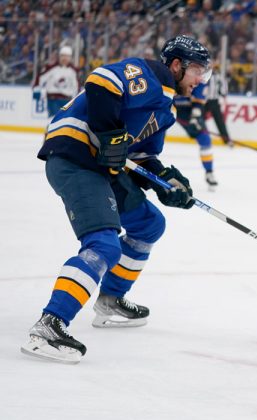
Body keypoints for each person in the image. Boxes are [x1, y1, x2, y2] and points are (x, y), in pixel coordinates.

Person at [21, 35, 211, 364]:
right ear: (176, 65)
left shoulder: (165, 110)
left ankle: (110, 300)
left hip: (102, 166)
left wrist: (167, 181)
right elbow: (101, 80)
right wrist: (110, 134)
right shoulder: (150, 74)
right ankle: (49, 325)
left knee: (150, 224)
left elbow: (138, 157)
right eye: (197, 71)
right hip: (76, 156)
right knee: (104, 245)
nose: (200, 80)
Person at [175, 62, 229, 191]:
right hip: (171, 107)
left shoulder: (202, 78)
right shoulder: (176, 72)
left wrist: (195, 115)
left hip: (187, 112)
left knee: (205, 140)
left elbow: (198, 99)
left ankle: (209, 172)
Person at [33, 46, 79, 118]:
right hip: (53, 99)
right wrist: (36, 90)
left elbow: (76, 86)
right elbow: (40, 78)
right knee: (54, 120)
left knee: (64, 122)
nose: (64, 58)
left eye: (67, 56)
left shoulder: (74, 71)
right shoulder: (51, 67)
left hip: (66, 100)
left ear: (70, 58)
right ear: (59, 56)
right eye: (63, 56)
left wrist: (76, 100)